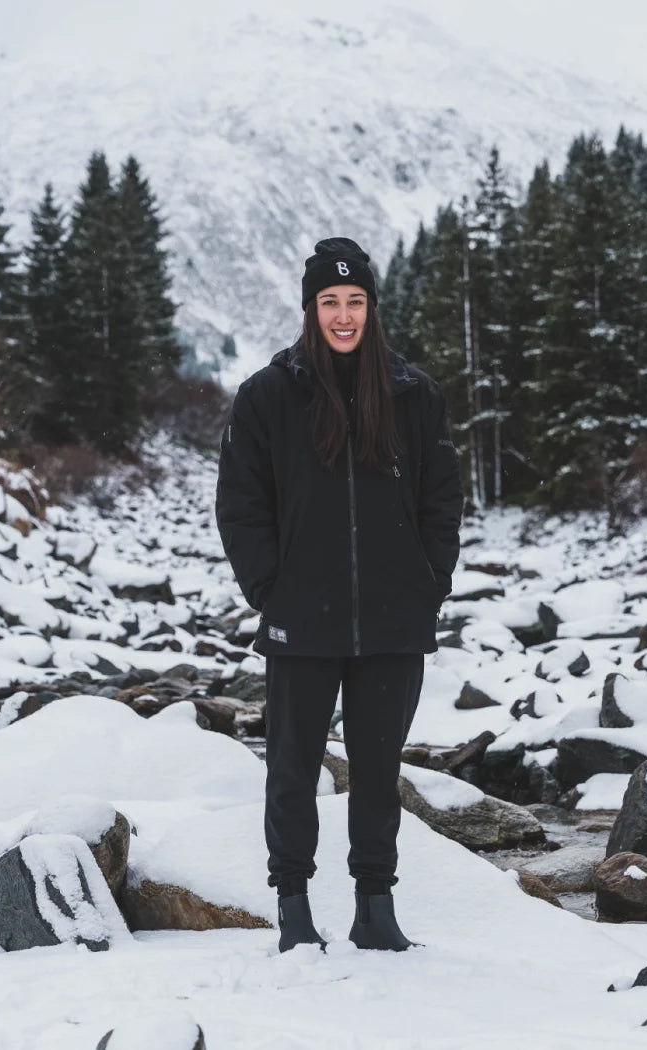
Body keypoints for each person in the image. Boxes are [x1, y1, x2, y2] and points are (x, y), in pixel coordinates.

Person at [215, 237, 463, 952]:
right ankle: (294, 907)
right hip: (301, 620)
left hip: (394, 620)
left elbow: (441, 500)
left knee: (379, 773)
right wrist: (270, 588)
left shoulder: (415, 395)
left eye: (355, 302)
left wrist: (428, 581)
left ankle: (375, 909)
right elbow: (240, 503)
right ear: (310, 308)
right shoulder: (268, 396)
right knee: (293, 769)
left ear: (372, 309)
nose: (344, 315)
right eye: (330, 301)